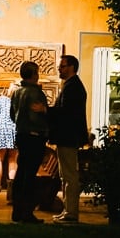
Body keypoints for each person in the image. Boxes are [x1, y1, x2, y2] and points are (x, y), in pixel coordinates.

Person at [48, 55, 89, 223]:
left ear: (72, 67)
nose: (59, 69)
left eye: (63, 66)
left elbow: (65, 112)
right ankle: (67, 210)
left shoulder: (73, 87)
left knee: (70, 175)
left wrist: (45, 110)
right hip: (67, 136)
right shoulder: (71, 86)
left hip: (68, 136)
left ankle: (71, 212)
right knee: (65, 174)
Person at [10, 60, 49, 224]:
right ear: (34, 74)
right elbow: (37, 117)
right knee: (30, 175)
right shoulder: (35, 93)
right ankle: (27, 212)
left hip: (21, 134)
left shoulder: (17, 92)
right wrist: (45, 129)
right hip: (34, 136)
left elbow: (12, 115)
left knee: (21, 172)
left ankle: (17, 211)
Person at [0, 82, 18, 193]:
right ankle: (11, 187)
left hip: (2, 130)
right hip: (15, 130)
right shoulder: (19, 101)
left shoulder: (1, 99)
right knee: (13, 160)